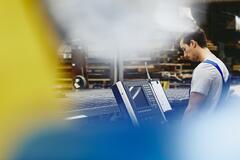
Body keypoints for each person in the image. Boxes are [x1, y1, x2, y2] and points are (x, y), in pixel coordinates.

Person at [179, 28, 230, 121]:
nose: (184, 54)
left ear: (193, 43)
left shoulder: (204, 69)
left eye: (184, 49)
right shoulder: (220, 64)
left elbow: (192, 110)